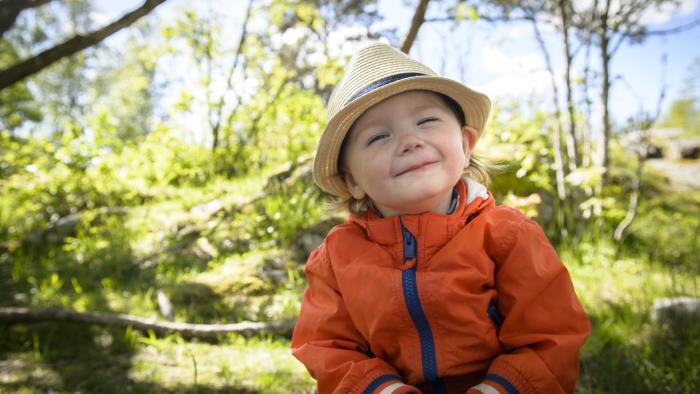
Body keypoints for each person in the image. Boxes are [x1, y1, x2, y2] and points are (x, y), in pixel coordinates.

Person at [291, 43, 590, 394]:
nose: (409, 141)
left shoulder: (508, 235)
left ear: (465, 145)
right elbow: (329, 348)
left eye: (427, 120)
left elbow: (551, 336)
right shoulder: (336, 260)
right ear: (353, 180)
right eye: (379, 136)